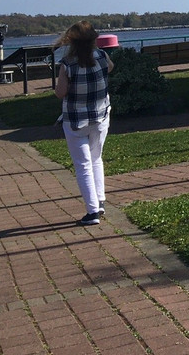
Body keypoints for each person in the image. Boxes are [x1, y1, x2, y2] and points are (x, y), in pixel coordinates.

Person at [53, 21, 114, 227]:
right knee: (96, 158)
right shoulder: (102, 57)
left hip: (75, 121)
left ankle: (92, 211)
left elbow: (60, 93)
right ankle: (100, 200)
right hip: (100, 118)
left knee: (83, 165)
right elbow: (110, 69)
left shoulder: (68, 63)